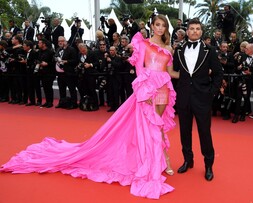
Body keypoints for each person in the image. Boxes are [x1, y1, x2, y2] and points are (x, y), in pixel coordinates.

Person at [0, 14, 177, 199]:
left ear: (166, 28)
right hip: (147, 91)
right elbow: (140, 69)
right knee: (151, 127)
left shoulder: (169, 48)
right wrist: (144, 91)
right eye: (157, 24)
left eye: (163, 26)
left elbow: (170, 72)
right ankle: (163, 160)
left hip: (164, 90)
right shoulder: (143, 43)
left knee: (159, 126)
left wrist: (192, 75)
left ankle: (160, 159)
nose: (160, 28)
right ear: (152, 26)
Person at [172, 18, 223, 181]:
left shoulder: (210, 50)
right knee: (184, 132)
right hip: (184, 98)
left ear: (201, 32)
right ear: (187, 32)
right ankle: (188, 160)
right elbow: (175, 73)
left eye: (197, 28)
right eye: (191, 28)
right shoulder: (179, 50)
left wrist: (211, 93)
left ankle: (208, 164)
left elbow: (218, 74)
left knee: (204, 132)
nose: (194, 31)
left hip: (202, 98)